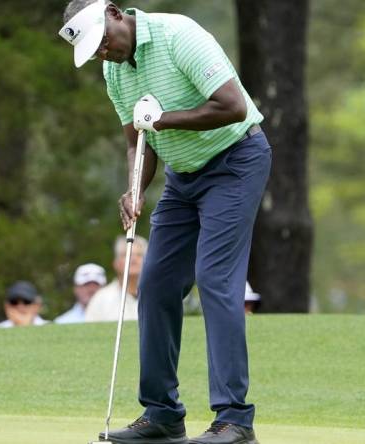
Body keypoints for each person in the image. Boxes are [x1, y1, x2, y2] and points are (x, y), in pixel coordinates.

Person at [59, 2, 269, 443]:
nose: (103, 54)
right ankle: (162, 415)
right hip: (182, 177)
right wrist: (135, 190)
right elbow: (137, 141)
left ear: (116, 14)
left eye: (103, 43)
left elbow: (232, 106)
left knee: (215, 280)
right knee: (154, 284)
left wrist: (162, 119)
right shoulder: (114, 70)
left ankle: (235, 420)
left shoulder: (179, 37)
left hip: (236, 161)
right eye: (94, 52)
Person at [85, 235, 147, 322]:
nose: (134, 259)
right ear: (116, 263)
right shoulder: (101, 299)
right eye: (127, 254)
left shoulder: (160, 295)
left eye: (139, 255)